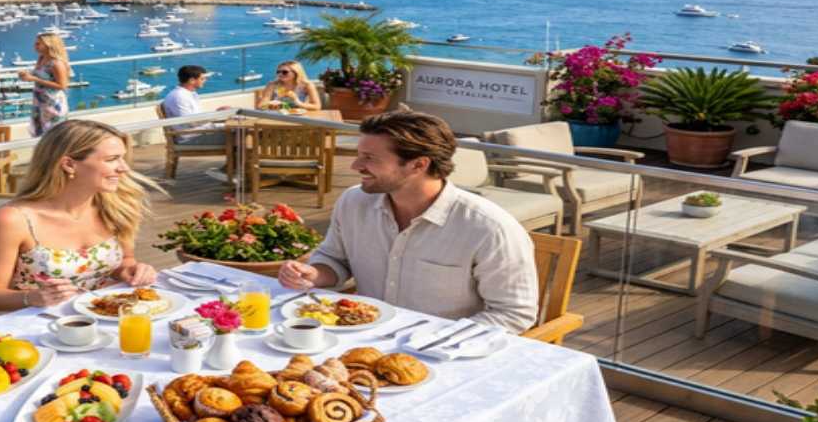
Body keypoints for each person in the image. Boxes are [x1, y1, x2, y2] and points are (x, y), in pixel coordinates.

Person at [277, 110, 539, 333]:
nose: (355, 166)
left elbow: (513, 313)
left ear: (418, 165)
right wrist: (315, 274)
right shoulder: (353, 202)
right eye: (359, 155)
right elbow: (334, 259)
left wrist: (435, 341)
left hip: (443, 352)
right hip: (358, 337)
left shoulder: (488, 228)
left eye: (370, 158)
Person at [0, 120, 159, 311]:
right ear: (69, 165)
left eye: (122, 158)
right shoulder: (13, 220)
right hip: (25, 327)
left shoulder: (117, 206)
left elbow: (125, 260)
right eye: (112, 159)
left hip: (94, 317)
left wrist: (130, 270)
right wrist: (33, 297)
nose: (124, 168)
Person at [160, 64, 226, 146]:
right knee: (238, 135)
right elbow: (190, 122)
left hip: (201, 132)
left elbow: (195, 119)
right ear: (192, 80)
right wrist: (217, 114)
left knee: (239, 130)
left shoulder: (189, 93)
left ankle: (236, 158)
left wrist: (220, 114)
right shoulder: (179, 97)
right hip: (192, 138)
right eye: (202, 78)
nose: (205, 80)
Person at [19, 32, 70, 137]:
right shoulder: (42, 58)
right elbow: (41, 76)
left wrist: (35, 79)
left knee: (52, 134)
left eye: (38, 44)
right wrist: (27, 75)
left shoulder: (56, 63)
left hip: (52, 102)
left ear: (49, 45)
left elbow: (62, 85)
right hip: (39, 101)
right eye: (35, 43)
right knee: (40, 131)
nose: (35, 46)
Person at [256, 59, 321, 111]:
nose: (280, 74)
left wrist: (298, 102)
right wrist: (272, 104)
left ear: (296, 73)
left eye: (285, 72)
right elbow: (261, 106)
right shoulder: (273, 85)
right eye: (278, 72)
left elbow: (317, 106)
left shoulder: (307, 85)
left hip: (299, 117)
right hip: (278, 116)